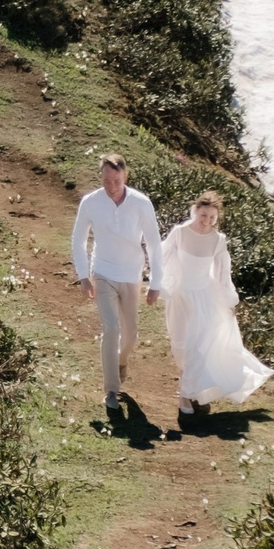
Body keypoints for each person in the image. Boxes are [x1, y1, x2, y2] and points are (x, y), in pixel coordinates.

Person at [161, 190, 271, 419]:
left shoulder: (218, 240)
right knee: (180, 346)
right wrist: (161, 285)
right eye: (203, 215)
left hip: (204, 298)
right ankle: (190, 386)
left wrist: (229, 301)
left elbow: (223, 274)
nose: (206, 221)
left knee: (197, 347)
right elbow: (163, 257)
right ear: (195, 211)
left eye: (212, 218)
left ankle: (184, 395)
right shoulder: (180, 233)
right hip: (180, 297)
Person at [71, 152, 164, 419]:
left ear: (125, 176)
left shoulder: (141, 203)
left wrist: (155, 282)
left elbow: (154, 243)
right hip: (103, 272)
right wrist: (84, 276)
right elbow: (78, 240)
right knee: (111, 329)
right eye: (106, 180)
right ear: (100, 177)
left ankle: (122, 361)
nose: (111, 186)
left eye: (117, 180)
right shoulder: (90, 202)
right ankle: (111, 390)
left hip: (132, 275)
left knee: (131, 335)